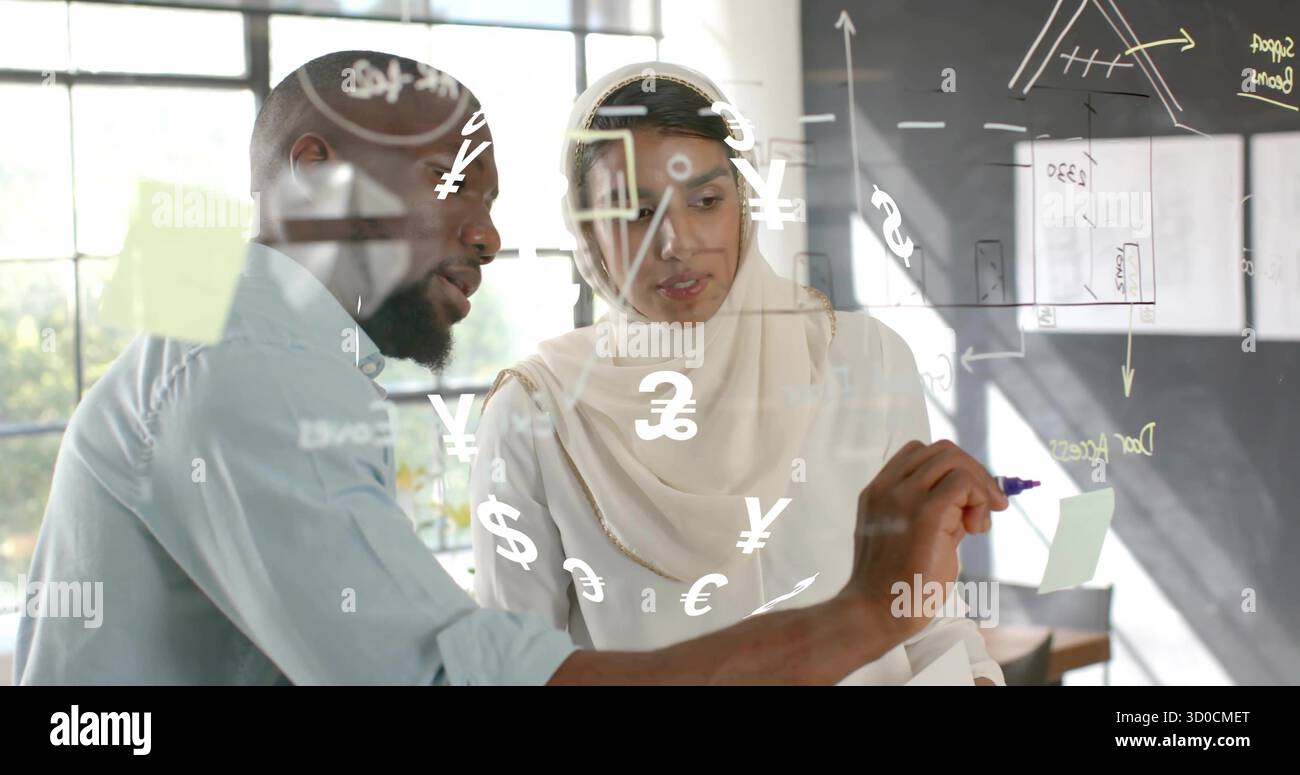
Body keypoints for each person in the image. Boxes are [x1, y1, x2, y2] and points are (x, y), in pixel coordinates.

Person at [14, 51, 1005, 686]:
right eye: (456, 189)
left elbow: (936, 636)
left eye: (703, 200)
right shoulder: (281, 368)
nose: (488, 237)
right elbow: (467, 675)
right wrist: (859, 613)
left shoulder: (863, 358)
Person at [469, 63, 1004, 684]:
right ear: (586, 231)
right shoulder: (538, 411)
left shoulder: (863, 359)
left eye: (705, 201)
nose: (677, 243)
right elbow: (513, 671)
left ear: (743, 201)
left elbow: (930, 616)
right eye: (635, 212)